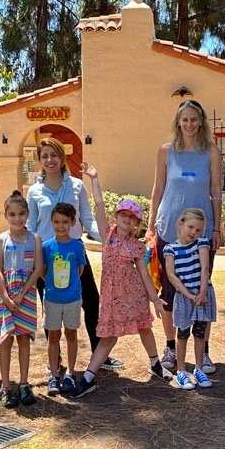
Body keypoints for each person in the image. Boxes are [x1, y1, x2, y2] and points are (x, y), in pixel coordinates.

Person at [67, 164, 167, 399]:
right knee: (108, 336)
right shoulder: (107, 236)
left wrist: (154, 299)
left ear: (136, 224)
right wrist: (94, 179)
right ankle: (89, 377)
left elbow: (143, 273)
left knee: (145, 326)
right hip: (112, 298)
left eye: (132, 218)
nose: (127, 219)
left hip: (134, 296)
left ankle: (156, 363)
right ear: (117, 217)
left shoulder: (136, 246)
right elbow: (99, 206)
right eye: (123, 214)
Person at [25, 138, 121, 371]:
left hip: (74, 252)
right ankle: (54, 360)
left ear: (62, 158)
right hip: (47, 255)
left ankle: (101, 355)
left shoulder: (77, 185)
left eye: (54, 155)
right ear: (40, 160)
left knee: (91, 301)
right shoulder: (35, 191)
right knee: (51, 306)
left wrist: (107, 239)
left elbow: (87, 219)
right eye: (45, 156)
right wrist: (27, 254)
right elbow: (30, 225)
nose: (50, 160)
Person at [147, 99, 222, 377]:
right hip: (169, 231)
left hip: (201, 234)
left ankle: (202, 353)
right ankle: (170, 347)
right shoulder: (166, 151)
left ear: (201, 121)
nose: (189, 124)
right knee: (170, 292)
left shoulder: (210, 152)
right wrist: (151, 225)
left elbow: (216, 191)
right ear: (178, 122)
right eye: (184, 119)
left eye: (194, 119)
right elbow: (158, 189)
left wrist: (216, 228)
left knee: (201, 290)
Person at [0, 190, 42, 408]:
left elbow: (37, 267)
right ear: (6, 215)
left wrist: (23, 293)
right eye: (12, 214)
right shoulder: (0, 240)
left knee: (24, 339)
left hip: (27, 295)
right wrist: (5, 296)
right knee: (6, 340)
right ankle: (5, 386)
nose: (17, 218)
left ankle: (23, 383)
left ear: (28, 213)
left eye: (21, 213)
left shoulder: (35, 239)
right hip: (6, 295)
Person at [163, 208, 217, 391]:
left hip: (202, 293)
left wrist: (202, 293)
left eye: (198, 229)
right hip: (184, 296)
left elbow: (204, 268)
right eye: (191, 227)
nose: (194, 232)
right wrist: (188, 294)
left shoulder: (201, 243)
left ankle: (199, 369)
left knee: (200, 333)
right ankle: (181, 371)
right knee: (183, 334)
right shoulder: (170, 249)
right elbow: (171, 275)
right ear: (181, 223)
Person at [42, 202, 87, 395]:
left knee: (71, 335)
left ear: (72, 223)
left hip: (72, 299)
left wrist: (69, 288)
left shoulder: (77, 246)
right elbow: (43, 272)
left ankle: (69, 372)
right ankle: (54, 374)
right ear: (51, 222)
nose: (60, 226)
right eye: (56, 222)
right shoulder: (46, 246)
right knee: (53, 336)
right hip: (52, 299)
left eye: (65, 222)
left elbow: (80, 270)